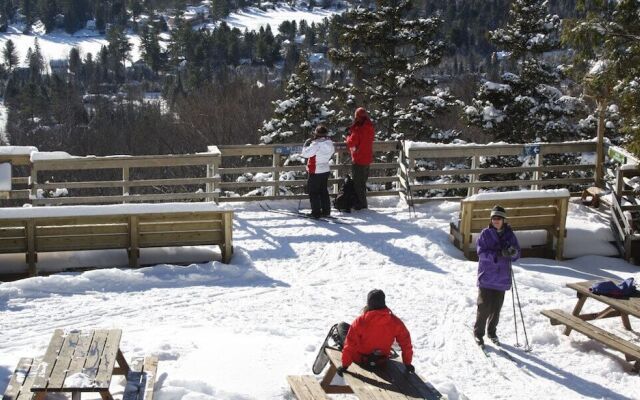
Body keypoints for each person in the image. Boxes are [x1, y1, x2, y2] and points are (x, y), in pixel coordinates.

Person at [335, 289, 414, 376]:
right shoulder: (395, 321)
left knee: (342, 326)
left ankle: (337, 338)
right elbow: (406, 343)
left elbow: (350, 344)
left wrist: (344, 365)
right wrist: (407, 363)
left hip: (361, 359)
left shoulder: (361, 321)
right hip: (381, 361)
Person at [473, 205, 521, 346]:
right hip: (487, 276)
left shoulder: (510, 235)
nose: (496, 220)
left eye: (498, 218)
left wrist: (513, 253)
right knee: (484, 307)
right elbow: (481, 253)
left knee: (496, 308)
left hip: (502, 277)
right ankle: (478, 333)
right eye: (494, 218)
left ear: (503, 220)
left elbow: (518, 253)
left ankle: (492, 332)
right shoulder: (485, 234)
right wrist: (499, 254)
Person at [301, 125, 335, 218]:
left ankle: (316, 212)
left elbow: (305, 154)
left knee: (313, 192)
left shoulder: (316, 144)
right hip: (325, 169)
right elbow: (331, 152)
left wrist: (305, 145)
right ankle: (326, 211)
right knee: (323, 191)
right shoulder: (330, 143)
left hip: (315, 170)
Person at [345, 107, 375, 210]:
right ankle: (361, 203)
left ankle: (361, 205)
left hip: (359, 159)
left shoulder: (358, 130)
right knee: (362, 183)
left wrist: (348, 135)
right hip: (367, 158)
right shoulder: (370, 127)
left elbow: (351, 143)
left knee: (358, 184)